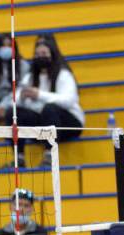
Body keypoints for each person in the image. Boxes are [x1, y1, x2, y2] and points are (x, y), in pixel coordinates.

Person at [15, 34, 84, 168]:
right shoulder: (29, 77)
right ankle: (19, 158)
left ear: (52, 54)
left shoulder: (63, 74)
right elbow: (15, 99)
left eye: (44, 53)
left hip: (69, 123)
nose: (41, 56)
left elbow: (69, 100)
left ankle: (49, 155)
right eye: (37, 53)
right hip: (44, 122)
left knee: (49, 109)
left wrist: (38, 94)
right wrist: (22, 97)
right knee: (15, 113)